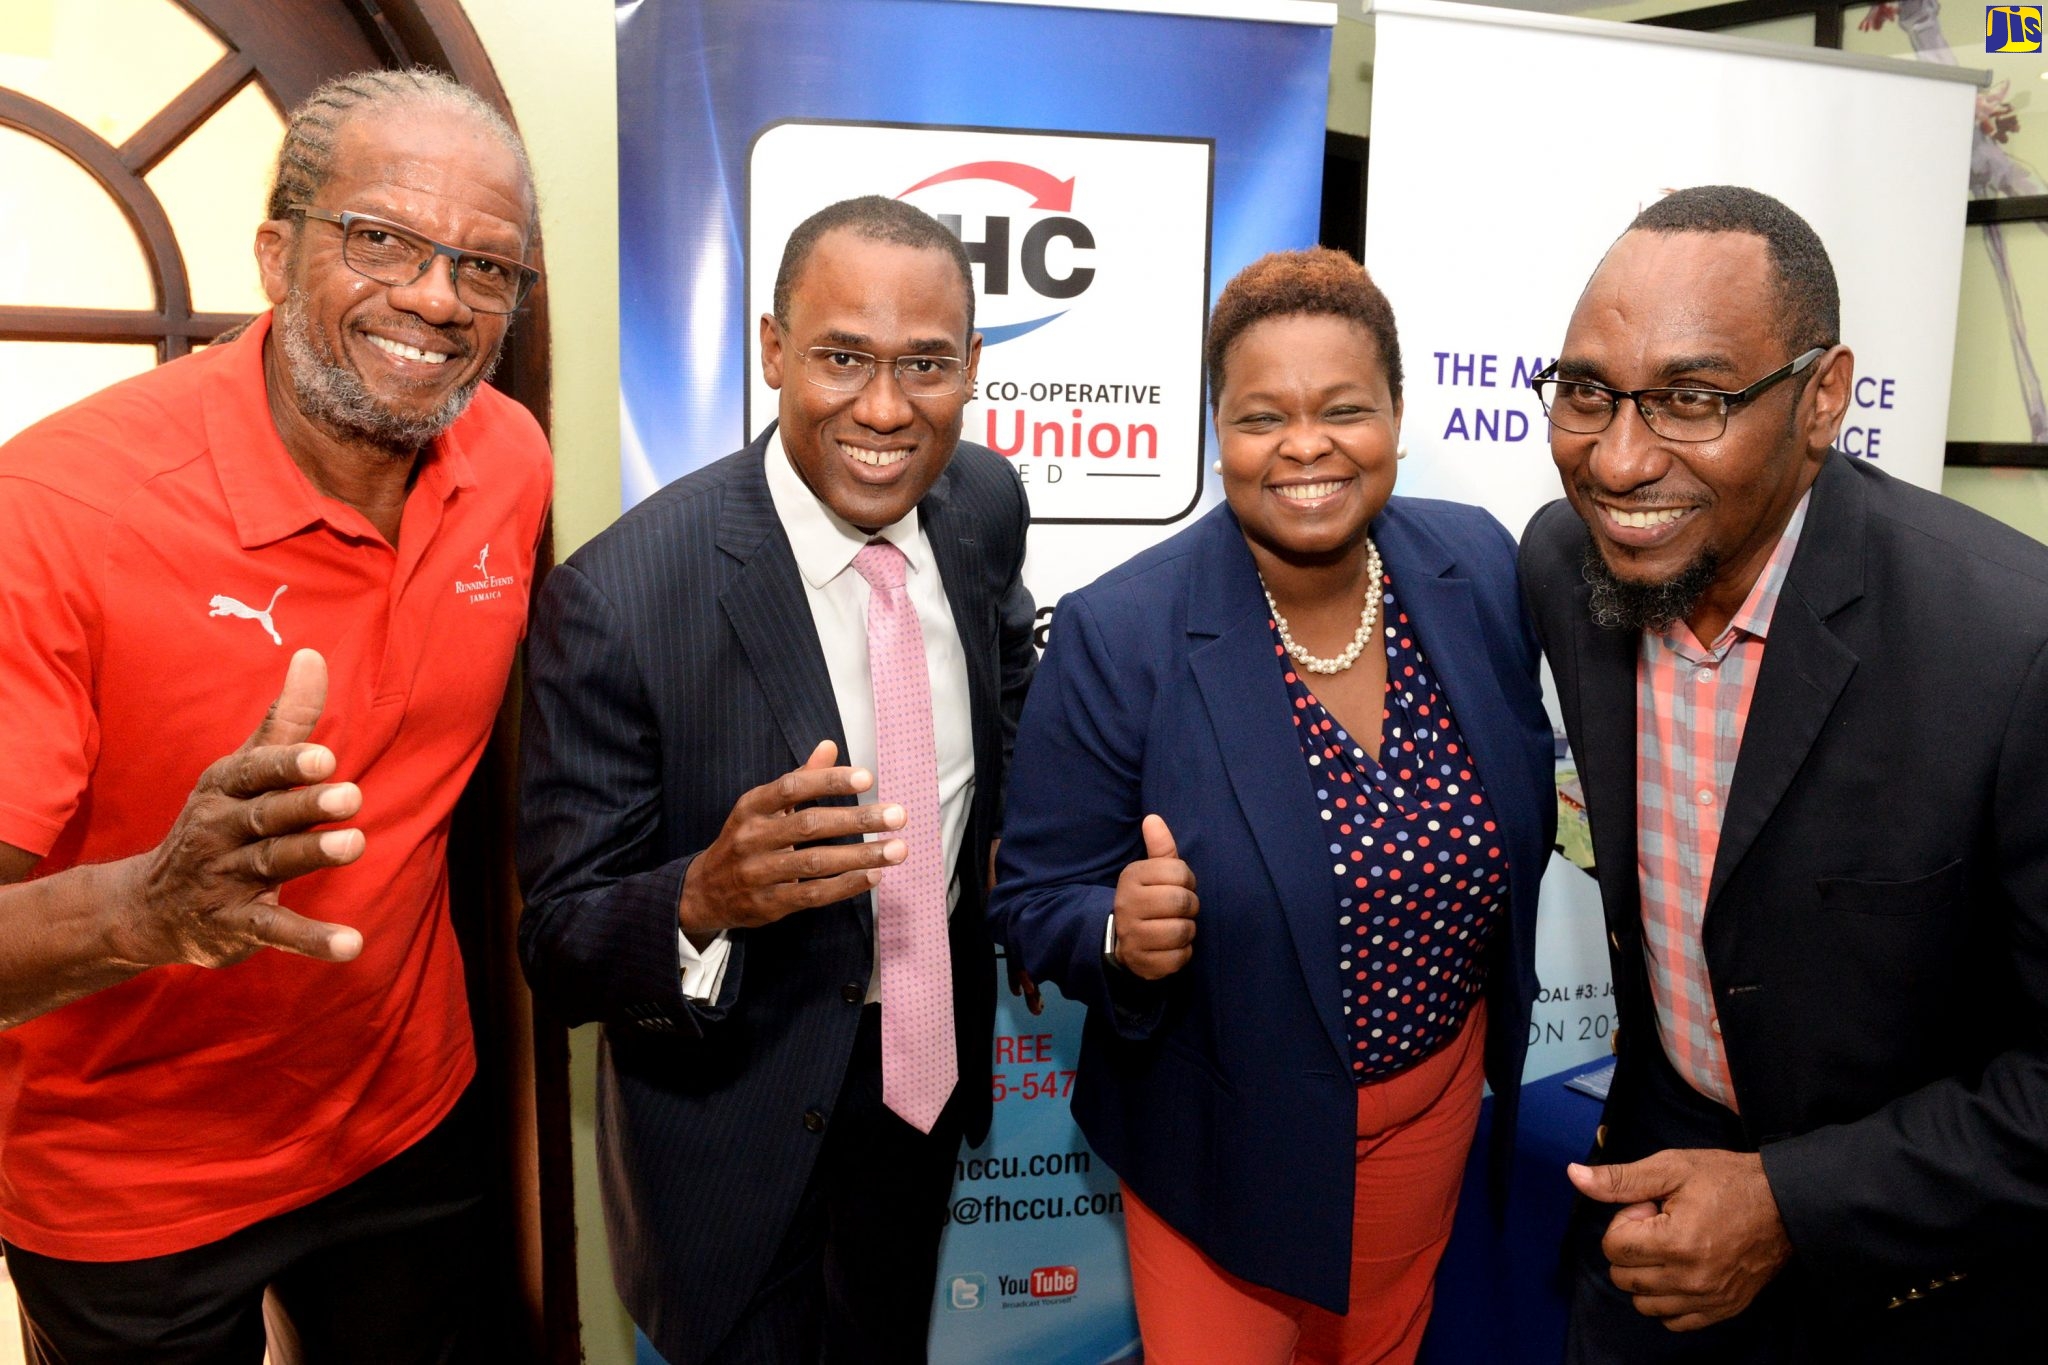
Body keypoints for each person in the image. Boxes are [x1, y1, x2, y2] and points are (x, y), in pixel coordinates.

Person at [0, 66, 551, 1363]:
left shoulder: (506, 462)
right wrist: (144, 913)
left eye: (485, 267)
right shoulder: (54, 513)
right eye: (382, 240)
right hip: (127, 1186)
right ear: (272, 251)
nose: (436, 298)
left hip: (407, 1124)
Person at [989, 248, 1555, 1363]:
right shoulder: (1122, 631)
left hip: (1428, 1113)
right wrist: (1114, 929)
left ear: (1396, 414)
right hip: (1222, 1142)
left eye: (1344, 407)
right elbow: (1032, 898)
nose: (1305, 444)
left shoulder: (1478, 566)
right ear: (1218, 433)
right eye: (1261, 416)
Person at [1520, 184, 2048, 1362]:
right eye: (1585, 392)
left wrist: (1787, 1204)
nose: (1614, 459)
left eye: (1692, 400)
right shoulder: (1564, 563)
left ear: (1820, 399)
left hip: (1922, 1273)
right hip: (1645, 1225)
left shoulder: (2011, 648)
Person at [517, 194, 1036, 1365]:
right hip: (731, 1131)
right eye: (841, 358)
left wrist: (1019, 835)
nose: (885, 410)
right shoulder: (620, 599)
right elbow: (553, 940)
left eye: (924, 366)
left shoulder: (981, 503)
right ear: (770, 350)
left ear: (972, 366)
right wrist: (704, 896)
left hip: (919, 1079)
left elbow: (1006, 666)